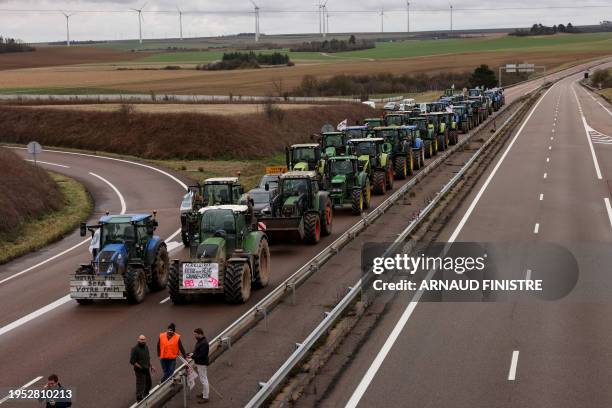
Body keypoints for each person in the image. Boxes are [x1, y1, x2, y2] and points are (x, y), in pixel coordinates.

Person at [130, 334, 155, 402]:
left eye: (144, 339)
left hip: (146, 368)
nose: (143, 341)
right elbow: (132, 361)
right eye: (141, 339)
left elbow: (147, 358)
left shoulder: (146, 347)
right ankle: (139, 398)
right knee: (140, 384)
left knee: (149, 383)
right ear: (138, 340)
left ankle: (145, 394)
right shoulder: (135, 349)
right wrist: (140, 367)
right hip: (139, 370)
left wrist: (151, 366)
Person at [188, 328, 210, 404]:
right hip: (199, 363)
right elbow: (197, 351)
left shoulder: (204, 343)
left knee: (204, 380)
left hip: (202, 363)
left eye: (196, 334)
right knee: (203, 379)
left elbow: (202, 355)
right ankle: (204, 393)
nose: (195, 336)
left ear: (200, 334)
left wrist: (193, 356)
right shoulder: (200, 341)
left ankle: (206, 397)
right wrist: (192, 354)